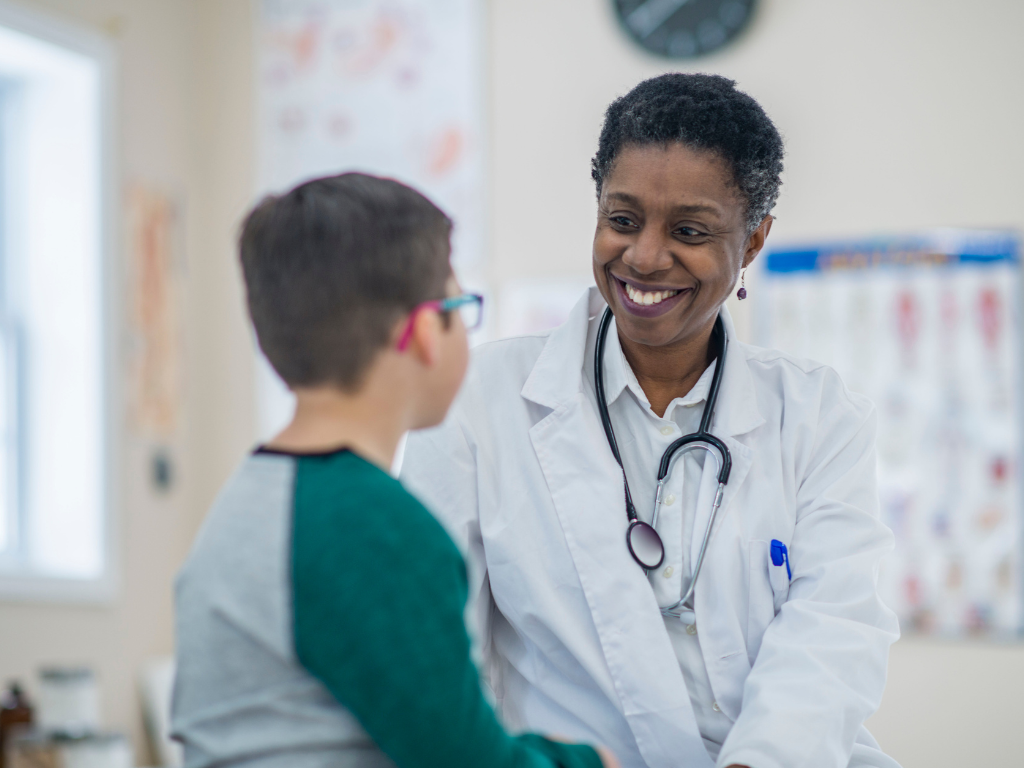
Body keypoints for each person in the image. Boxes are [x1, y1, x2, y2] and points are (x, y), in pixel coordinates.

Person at [400, 74, 902, 768]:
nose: (643, 256)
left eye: (690, 231)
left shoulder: (817, 417)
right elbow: (434, 643)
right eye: (623, 219)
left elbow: (836, 627)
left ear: (754, 240)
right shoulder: (479, 401)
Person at [171, 173, 617, 768]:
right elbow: (459, 761)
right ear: (427, 331)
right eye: (463, 308)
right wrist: (588, 763)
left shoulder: (250, 498)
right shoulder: (373, 528)